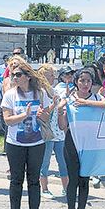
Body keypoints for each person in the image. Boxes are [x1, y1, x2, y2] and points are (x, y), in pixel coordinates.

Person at [1, 60, 53, 209]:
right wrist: (25, 115)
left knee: (33, 180)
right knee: (16, 180)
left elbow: (46, 118)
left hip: (36, 142)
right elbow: (7, 120)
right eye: (13, 74)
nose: (14, 77)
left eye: (18, 74)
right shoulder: (10, 94)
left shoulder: (40, 93)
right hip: (15, 143)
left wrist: (42, 114)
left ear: (28, 76)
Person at [59, 68, 105, 209]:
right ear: (76, 81)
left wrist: (86, 102)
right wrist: (60, 112)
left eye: (88, 81)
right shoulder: (68, 98)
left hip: (89, 145)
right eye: (82, 80)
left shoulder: (95, 97)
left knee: (84, 179)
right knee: (73, 179)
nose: (85, 84)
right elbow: (62, 127)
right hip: (72, 143)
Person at [37, 63, 67, 197]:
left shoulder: (54, 91)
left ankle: (66, 188)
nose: (53, 77)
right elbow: (42, 114)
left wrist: (62, 103)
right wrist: (54, 105)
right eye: (50, 75)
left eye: (53, 75)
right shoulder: (40, 93)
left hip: (58, 131)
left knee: (63, 161)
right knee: (45, 160)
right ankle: (44, 189)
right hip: (47, 131)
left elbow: (59, 107)